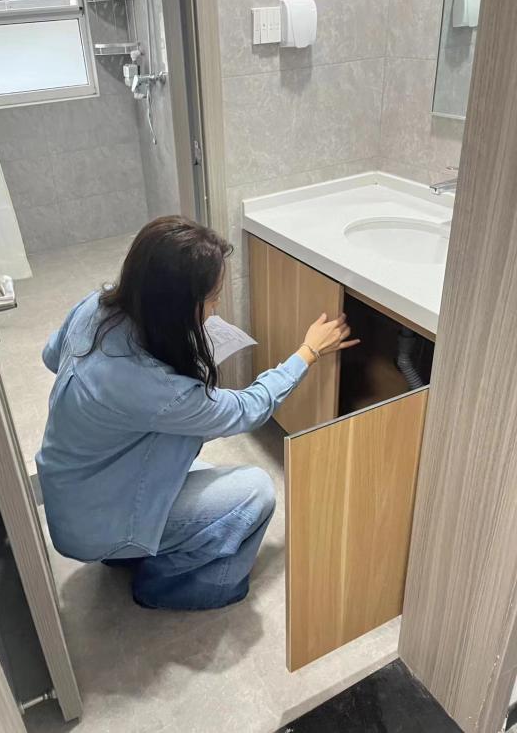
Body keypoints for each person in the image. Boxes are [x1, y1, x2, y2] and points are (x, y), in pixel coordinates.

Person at [36, 216, 358, 611]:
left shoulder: (96, 306)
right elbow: (247, 409)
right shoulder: (152, 389)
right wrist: (308, 352)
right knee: (255, 491)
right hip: (94, 524)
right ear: (176, 305)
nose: (215, 308)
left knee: (190, 459)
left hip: (74, 496)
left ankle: (127, 550)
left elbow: (51, 356)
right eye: (212, 299)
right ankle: (163, 585)